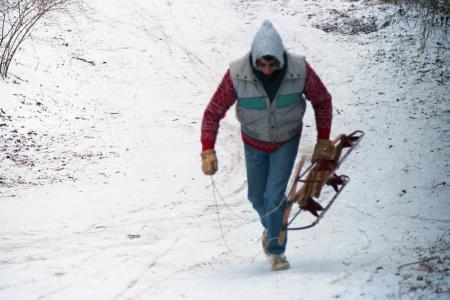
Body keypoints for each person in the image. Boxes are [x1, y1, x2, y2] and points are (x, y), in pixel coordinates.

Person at [200, 20, 335, 271]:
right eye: (261, 65)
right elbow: (213, 112)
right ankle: (275, 225)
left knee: (274, 195)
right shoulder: (237, 74)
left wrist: (323, 139)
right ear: (253, 60)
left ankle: (276, 251)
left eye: (273, 65)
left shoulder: (300, 69)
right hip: (253, 142)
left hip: (286, 139)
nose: (267, 70)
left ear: (281, 59)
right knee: (255, 196)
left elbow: (322, 100)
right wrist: (208, 149)